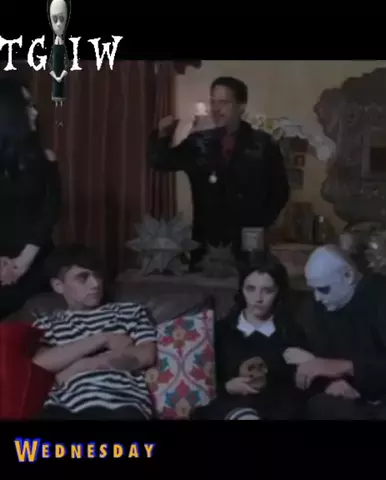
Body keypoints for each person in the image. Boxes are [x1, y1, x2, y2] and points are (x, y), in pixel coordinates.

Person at [147, 76, 290, 266]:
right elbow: (161, 162)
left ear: (241, 106)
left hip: (248, 244)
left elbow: (280, 191)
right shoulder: (198, 143)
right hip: (206, 244)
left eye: (224, 102)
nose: (216, 109)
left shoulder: (263, 145)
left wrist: (258, 223)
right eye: (213, 102)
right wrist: (162, 135)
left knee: (250, 282)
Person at [299, 245, 386, 420]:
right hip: (360, 398)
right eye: (313, 289)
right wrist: (330, 382)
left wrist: (347, 367)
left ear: (348, 275)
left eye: (323, 289)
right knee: (318, 405)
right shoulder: (321, 307)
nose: (317, 297)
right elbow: (317, 357)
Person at [32, 245, 157, 420]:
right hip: (63, 407)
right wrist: (103, 338)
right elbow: (41, 363)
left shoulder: (129, 311)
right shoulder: (47, 324)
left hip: (121, 403)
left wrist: (79, 367)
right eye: (83, 278)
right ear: (59, 285)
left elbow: (146, 355)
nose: (96, 284)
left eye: (97, 275)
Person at [191, 253, 312, 420]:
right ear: (241, 290)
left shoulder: (291, 333)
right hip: (230, 408)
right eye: (251, 289)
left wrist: (310, 362)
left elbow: (300, 389)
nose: (258, 298)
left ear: (278, 292)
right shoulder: (220, 331)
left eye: (267, 291)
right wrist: (227, 387)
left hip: (277, 411)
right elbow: (200, 384)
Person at [0, 77, 62, 320]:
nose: (35, 112)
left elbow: (51, 211)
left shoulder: (45, 158)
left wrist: (22, 263)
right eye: (27, 105)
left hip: (34, 258)